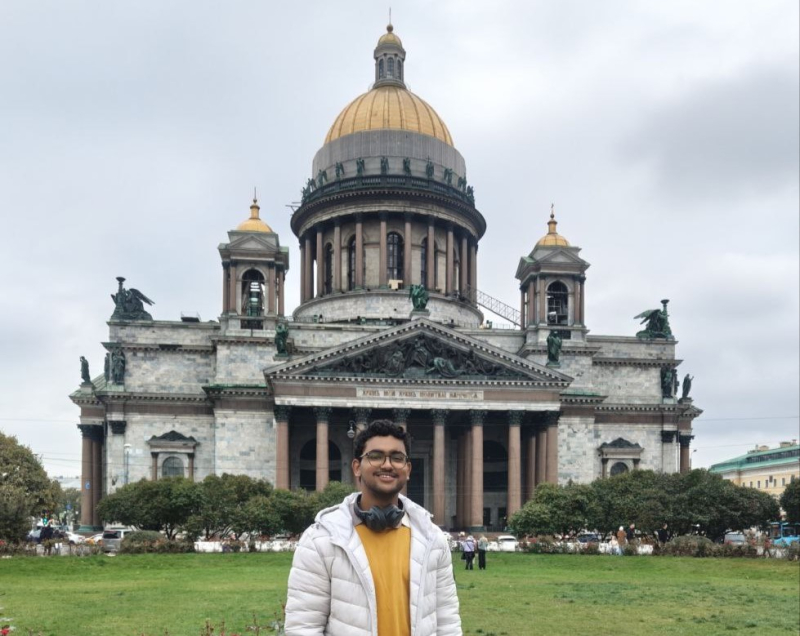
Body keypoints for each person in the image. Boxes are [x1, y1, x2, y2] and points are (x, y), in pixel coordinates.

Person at [285, 420, 461, 636]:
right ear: (357, 467)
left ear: (408, 469)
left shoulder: (433, 539)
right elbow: (303, 628)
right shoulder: (321, 540)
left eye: (397, 458)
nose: (387, 465)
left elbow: (447, 622)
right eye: (376, 456)